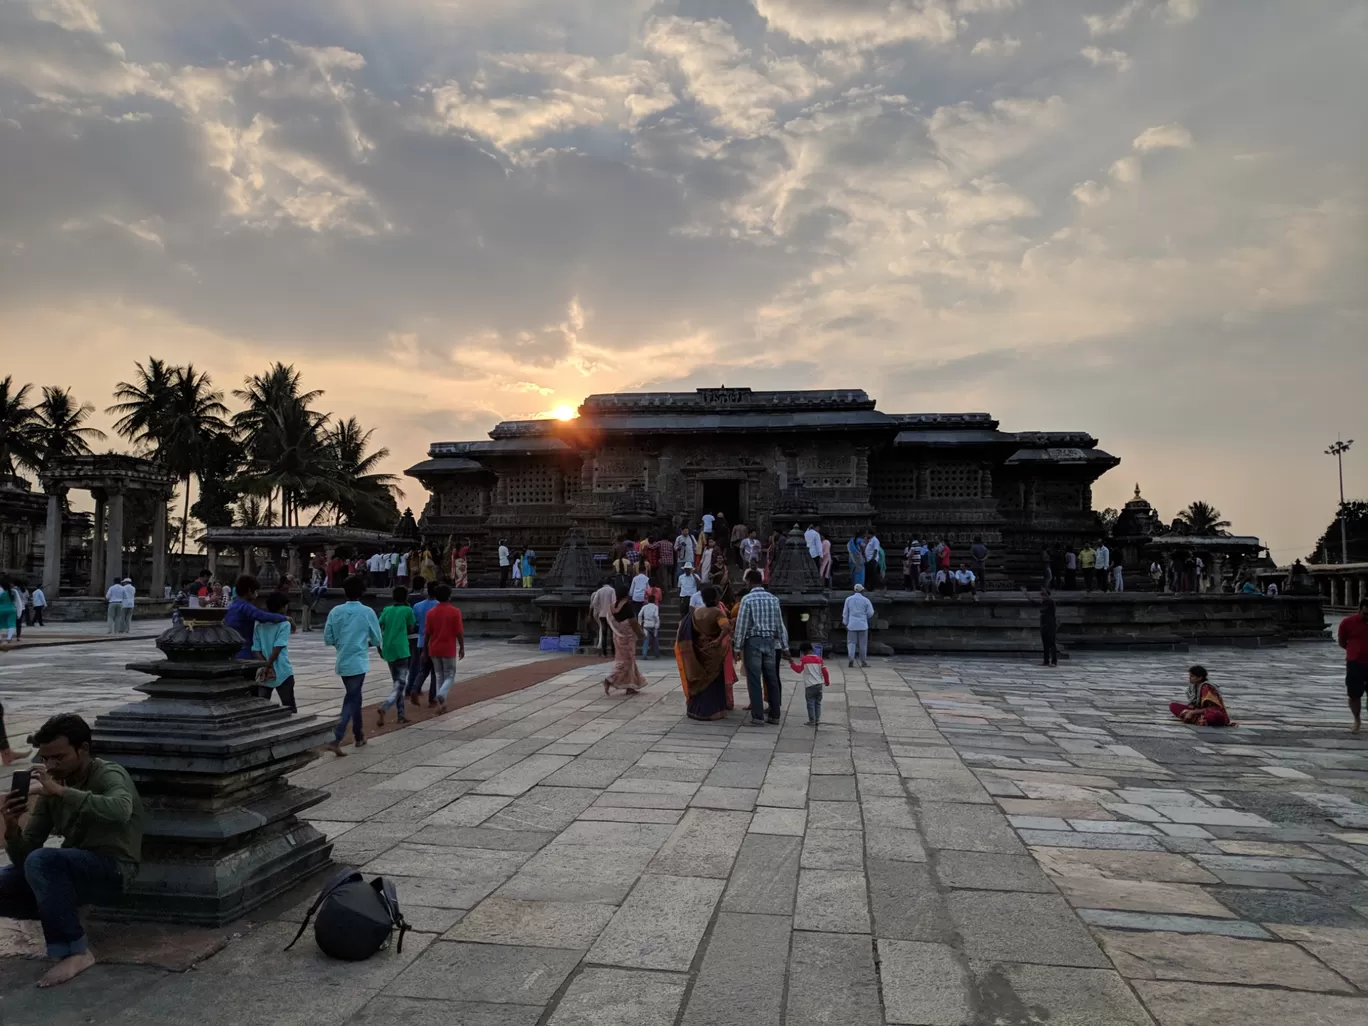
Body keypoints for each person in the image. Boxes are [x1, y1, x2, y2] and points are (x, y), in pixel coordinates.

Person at [1, 714, 144, 988]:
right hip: (71, 872)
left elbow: (121, 809)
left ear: (84, 750)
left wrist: (62, 793)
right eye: (45, 759)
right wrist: (11, 828)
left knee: (43, 861)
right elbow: (25, 856)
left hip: (113, 869)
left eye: (59, 757)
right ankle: (60, 915)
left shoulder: (108, 773)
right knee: (11, 875)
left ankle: (75, 951)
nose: (51, 766)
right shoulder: (53, 786)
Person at [322, 576, 382, 756]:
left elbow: (328, 638)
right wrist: (364, 643)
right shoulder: (367, 612)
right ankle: (337, 737)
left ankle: (359, 734)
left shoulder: (335, 611)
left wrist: (343, 643)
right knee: (351, 698)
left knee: (355, 696)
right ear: (362, 592)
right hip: (358, 659)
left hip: (343, 659)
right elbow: (378, 638)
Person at [733, 568, 788, 725]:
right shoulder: (773, 599)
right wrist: (785, 647)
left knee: (754, 679)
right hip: (770, 641)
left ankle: (757, 717)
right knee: (771, 679)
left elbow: (742, 626)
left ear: (749, 582)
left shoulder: (747, 600)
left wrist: (737, 647)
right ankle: (775, 715)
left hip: (753, 641)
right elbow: (780, 625)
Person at [676, 584, 732, 720]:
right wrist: (718, 640)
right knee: (713, 681)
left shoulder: (696, 612)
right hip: (713, 653)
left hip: (698, 651)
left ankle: (695, 710)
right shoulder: (717, 612)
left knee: (699, 678)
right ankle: (712, 711)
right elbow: (726, 627)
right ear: (715, 598)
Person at [224, 574, 291, 664]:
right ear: (249, 591)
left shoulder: (232, 605)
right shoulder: (245, 606)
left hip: (232, 648)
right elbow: (262, 616)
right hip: (244, 649)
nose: (257, 594)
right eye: (255, 591)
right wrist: (285, 618)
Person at [376, 586, 417, 726]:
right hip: (401, 649)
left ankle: (401, 714)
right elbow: (411, 627)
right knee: (400, 684)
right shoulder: (408, 610)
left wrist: (378, 647)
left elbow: (378, 626)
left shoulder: (387, 610)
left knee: (397, 682)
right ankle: (386, 706)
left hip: (388, 649)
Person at [251, 591, 297, 713]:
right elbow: (278, 647)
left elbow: (256, 649)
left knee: (262, 709)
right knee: (289, 707)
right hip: (282, 670)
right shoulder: (284, 624)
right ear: (282, 607)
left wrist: (264, 665)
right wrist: (269, 665)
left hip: (263, 673)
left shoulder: (260, 626)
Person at [425, 584, 465, 713]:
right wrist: (462, 647)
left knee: (439, 676)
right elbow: (459, 632)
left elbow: (427, 633)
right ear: (449, 596)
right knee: (450, 674)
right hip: (448, 647)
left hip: (434, 647)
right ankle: (442, 694)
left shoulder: (431, 612)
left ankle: (441, 703)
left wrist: (425, 649)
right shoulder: (455, 611)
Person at [604, 583, 644, 697]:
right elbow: (633, 622)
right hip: (628, 638)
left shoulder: (612, 606)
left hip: (617, 637)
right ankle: (610, 678)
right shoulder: (626, 606)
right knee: (626, 663)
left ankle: (630, 686)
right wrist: (641, 633)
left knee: (628, 662)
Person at [406, 580, 440, 704]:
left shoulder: (418, 606)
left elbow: (414, 623)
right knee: (435, 672)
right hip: (436, 641)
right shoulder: (439, 606)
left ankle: (415, 688)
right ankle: (432, 698)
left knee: (423, 669)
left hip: (421, 640)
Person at [1340, 597, 1368, 734]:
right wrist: (1353, 650)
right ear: (1360, 609)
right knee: (1354, 694)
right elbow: (1342, 641)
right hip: (1355, 663)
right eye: (1365, 614)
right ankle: (1357, 719)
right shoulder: (1348, 622)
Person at [790, 641, 830, 727]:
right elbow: (825, 671)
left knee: (810, 703)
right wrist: (827, 681)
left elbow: (798, 670)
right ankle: (817, 720)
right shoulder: (820, 659)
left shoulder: (804, 660)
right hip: (819, 684)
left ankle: (812, 720)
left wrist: (791, 663)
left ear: (804, 652)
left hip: (810, 686)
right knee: (818, 703)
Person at [842, 583, 875, 667]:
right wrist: (864, 616)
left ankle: (851, 658)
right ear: (862, 591)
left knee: (851, 643)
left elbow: (845, 613)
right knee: (863, 644)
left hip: (852, 624)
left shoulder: (848, 599)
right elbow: (870, 613)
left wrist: (845, 622)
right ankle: (863, 661)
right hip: (863, 624)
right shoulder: (866, 600)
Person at [591, 579, 617, 657]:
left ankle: (604, 652)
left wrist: (599, 609)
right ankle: (613, 652)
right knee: (612, 633)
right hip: (610, 614)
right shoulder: (612, 590)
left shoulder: (599, 591)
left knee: (604, 632)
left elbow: (594, 603)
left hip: (602, 614)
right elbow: (614, 602)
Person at [638, 593, 661, 659]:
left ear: (648, 600)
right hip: (653, 624)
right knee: (655, 640)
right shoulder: (656, 607)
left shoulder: (644, 607)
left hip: (646, 624)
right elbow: (656, 616)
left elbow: (639, 615)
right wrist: (657, 624)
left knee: (646, 640)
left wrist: (640, 623)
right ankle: (657, 653)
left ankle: (644, 654)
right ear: (654, 600)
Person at [0, 580, 15, 645]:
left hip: (1, 610)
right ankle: (9, 638)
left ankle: (0, 638)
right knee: (11, 624)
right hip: (12, 609)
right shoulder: (13, 592)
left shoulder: (1, 594)